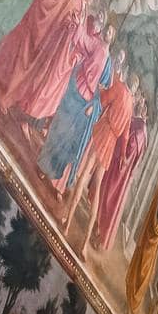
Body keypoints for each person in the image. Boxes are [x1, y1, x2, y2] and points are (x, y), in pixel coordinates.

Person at [38, 15, 113, 187]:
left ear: (113, 38)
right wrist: (79, 23)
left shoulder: (109, 62)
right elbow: (82, 39)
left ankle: (54, 172)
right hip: (75, 92)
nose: (108, 33)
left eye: (110, 32)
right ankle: (44, 166)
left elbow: (104, 88)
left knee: (69, 139)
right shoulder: (96, 44)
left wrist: (93, 105)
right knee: (59, 129)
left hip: (86, 104)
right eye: (107, 30)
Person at [71, 61, 135, 247]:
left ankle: (68, 218)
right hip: (112, 142)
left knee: (84, 175)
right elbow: (125, 134)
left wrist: (99, 89)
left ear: (127, 78)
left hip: (104, 133)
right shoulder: (131, 104)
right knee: (97, 186)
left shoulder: (120, 89)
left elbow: (104, 99)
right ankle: (85, 239)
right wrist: (122, 155)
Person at [94, 90, 148, 252]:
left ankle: (99, 235)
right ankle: (97, 231)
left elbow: (130, 150)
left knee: (108, 200)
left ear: (146, 112)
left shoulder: (140, 129)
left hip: (119, 171)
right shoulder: (141, 127)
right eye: (141, 102)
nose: (140, 104)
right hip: (122, 172)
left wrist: (117, 145)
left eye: (143, 104)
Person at [126, 173, 158, 314]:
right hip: (153, 235)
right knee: (145, 271)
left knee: (141, 265)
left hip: (149, 231)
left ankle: (131, 301)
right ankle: (133, 306)